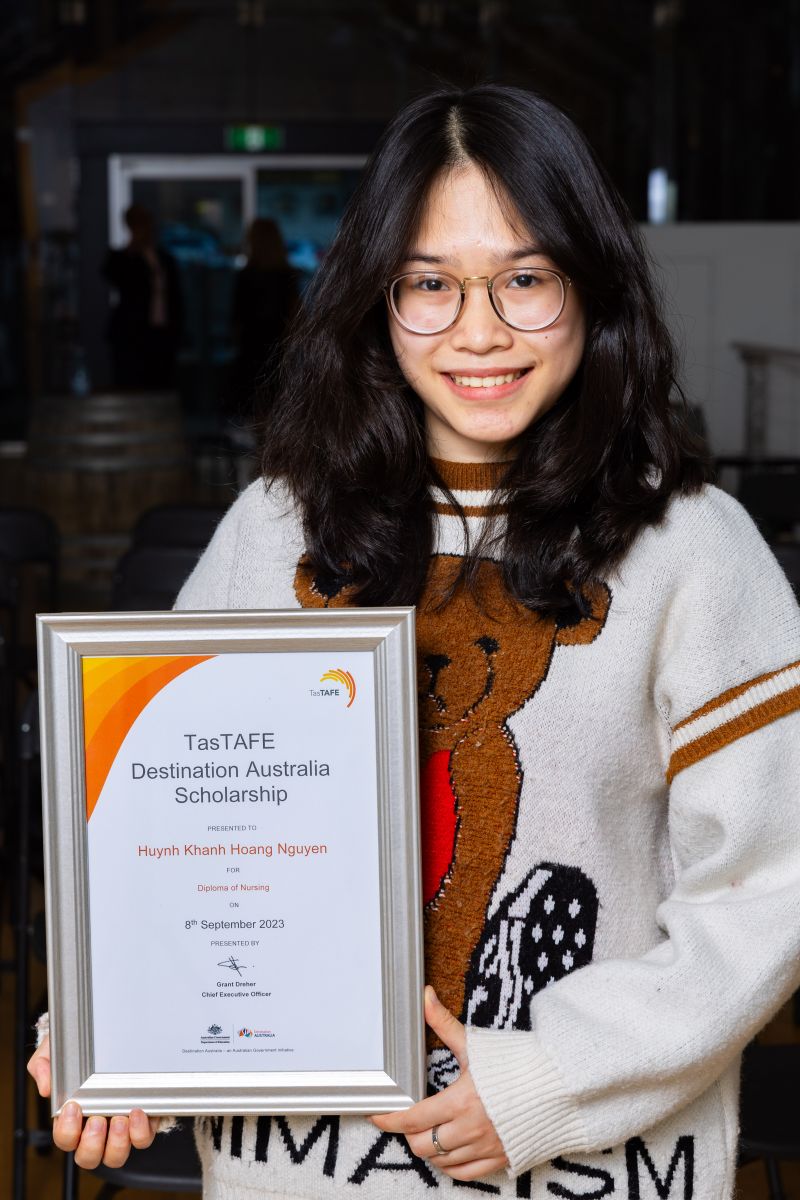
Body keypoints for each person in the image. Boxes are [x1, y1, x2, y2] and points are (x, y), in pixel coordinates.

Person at [29, 84, 800, 1198]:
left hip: (592, 1170)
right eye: (430, 284)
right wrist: (112, 1028)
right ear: (376, 302)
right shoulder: (273, 528)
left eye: (523, 280)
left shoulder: (688, 548)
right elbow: (166, 830)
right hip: (301, 1169)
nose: (477, 330)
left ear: (590, 287)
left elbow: (768, 885)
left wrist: (547, 1079)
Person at [103, 203, 183, 390]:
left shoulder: (164, 258)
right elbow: (112, 274)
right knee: (132, 385)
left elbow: (176, 298)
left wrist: (177, 331)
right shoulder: (122, 258)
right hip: (132, 335)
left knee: (161, 385)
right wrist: (133, 249)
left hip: (162, 335)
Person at [230, 216, 300, 419]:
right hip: (278, 343)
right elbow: (295, 312)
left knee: (255, 403)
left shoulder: (248, 275)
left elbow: (237, 316)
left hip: (255, 343)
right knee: (277, 404)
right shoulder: (285, 274)